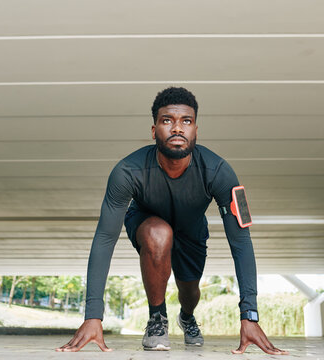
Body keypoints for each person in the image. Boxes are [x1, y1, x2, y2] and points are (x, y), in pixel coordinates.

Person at [55, 87, 288, 355]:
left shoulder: (221, 173)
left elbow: (241, 241)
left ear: (196, 131)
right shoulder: (126, 172)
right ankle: (157, 318)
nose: (177, 128)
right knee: (159, 233)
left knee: (190, 292)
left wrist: (250, 315)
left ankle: (187, 317)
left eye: (186, 121)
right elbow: (105, 238)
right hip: (147, 223)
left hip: (193, 231)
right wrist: (92, 315)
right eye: (167, 120)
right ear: (154, 130)